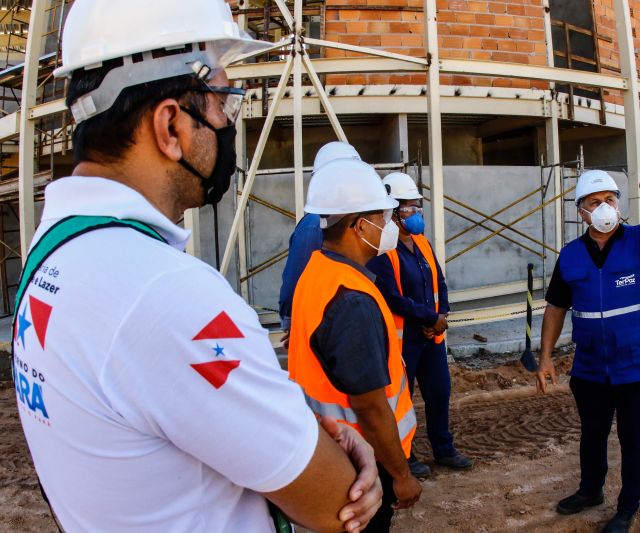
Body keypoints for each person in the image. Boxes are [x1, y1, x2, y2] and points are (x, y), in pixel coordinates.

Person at [11, 1, 381, 532]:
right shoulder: (167, 294)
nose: (228, 125)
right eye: (224, 106)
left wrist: (285, 424)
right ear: (170, 126)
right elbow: (333, 503)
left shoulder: (55, 249)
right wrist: (340, 455)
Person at [535, 170, 640, 533]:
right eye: (595, 202)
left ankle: (627, 508)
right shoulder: (570, 256)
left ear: (619, 204)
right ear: (581, 211)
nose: (605, 207)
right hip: (589, 369)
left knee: (634, 440)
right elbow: (556, 307)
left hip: (636, 367)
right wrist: (545, 357)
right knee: (592, 434)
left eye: (611, 200)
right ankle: (591, 490)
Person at [288, 160, 422, 532]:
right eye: (384, 217)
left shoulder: (317, 272)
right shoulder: (351, 298)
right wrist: (400, 475)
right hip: (360, 462)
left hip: (327, 449)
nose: (389, 226)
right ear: (360, 226)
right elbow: (372, 407)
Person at [367, 172, 473, 478]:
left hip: (431, 337)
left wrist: (442, 318)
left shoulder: (421, 243)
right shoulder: (382, 250)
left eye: (417, 208)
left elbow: (439, 282)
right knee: (402, 400)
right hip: (403, 341)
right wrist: (430, 318)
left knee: (439, 392)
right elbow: (392, 297)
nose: (416, 215)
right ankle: (405, 455)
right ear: (395, 212)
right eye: (411, 209)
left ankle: (444, 449)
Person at [278, 141, 361, 335]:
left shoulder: (349, 219)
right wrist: (294, 326)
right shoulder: (315, 225)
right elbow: (295, 282)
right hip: (321, 327)